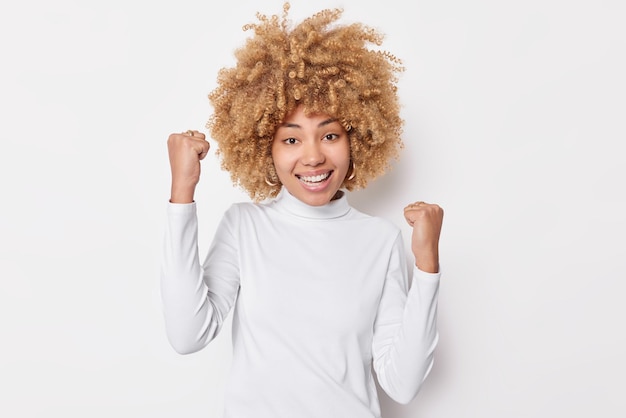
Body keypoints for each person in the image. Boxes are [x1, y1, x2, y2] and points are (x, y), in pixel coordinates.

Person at [161, 3, 444, 418]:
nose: (313, 157)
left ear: (357, 138)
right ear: (263, 147)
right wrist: (182, 192)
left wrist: (427, 266)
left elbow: (402, 384)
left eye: (329, 134)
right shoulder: (245, 226)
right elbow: (188, 334)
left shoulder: (379, 240)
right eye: (291, 140)